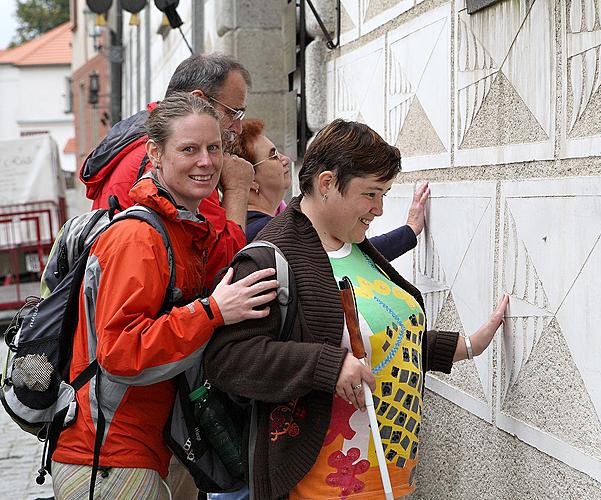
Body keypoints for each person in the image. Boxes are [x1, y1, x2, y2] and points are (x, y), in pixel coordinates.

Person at [204, 119, 508, 500]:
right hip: (321, 485)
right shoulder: (272, 256)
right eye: (371, 194)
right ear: (327, 183)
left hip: (389, 476)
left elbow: (373, 339)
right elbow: (228, 359)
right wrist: (327, 366)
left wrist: (465, 346)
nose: (379, 209)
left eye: (384, 194)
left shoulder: (355, 245)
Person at [51, 94, 279, 500]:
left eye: (213, 148)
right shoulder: (139, 238)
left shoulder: (179, 228)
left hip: (131, 454)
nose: (206, 162)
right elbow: (120, 352)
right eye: (189, 149)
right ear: (155, 154)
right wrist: (212, 312)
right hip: (108, 460)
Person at [80, 53, 254, 287]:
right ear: (199, 101)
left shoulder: (145, 142)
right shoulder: (178, 164)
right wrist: (238, 189)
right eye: (233, 113)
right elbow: (218, 266)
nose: (239, 127)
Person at [232, 118, 431, 260]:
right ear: (326, 184)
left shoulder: (282, 218)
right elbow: (348, 258)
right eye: (273, 155)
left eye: (383, 194)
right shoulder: (269, 236)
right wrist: (409, 231)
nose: (285, 159)